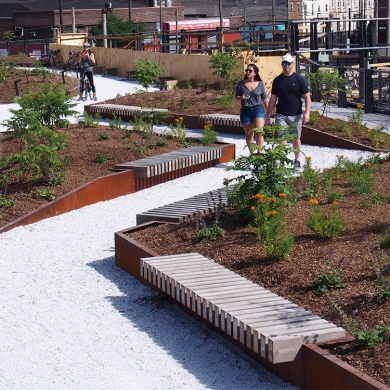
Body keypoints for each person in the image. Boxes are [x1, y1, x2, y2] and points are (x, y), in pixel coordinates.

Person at [265, 53, 311, 170]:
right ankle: (282, 162)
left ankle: (297, 160)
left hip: (296, 115)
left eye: (288, 64)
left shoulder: (299, 79)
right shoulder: (277, 80)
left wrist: (307, 113)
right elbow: (273, 99)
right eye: (284, 64)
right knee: (282, 138)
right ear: (282, 65)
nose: (286, 66)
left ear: (292, 64)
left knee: (296, 138)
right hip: (281, 114)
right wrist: (268, 115)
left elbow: (307, 97)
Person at [235, 63, 269, 154]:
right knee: (249, 136)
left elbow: (264, 98)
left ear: (255, 73)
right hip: (246, 110)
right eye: (247, 70)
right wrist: (241, 97)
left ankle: (260, 154)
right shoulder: (241, 84)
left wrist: (269, 111)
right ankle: (253, 155)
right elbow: (237, 98)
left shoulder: (260, 84)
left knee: (259, 133)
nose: (248, 72)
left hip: (258, 109)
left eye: (250, 71)